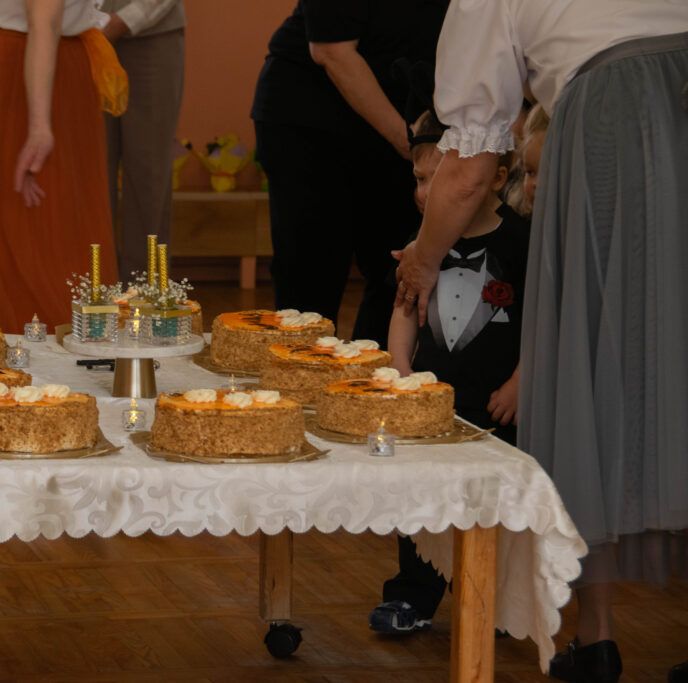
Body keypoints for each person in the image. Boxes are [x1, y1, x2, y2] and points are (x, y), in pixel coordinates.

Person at [393, 2, 688, 680]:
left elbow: (469, 169)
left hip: (615, 114)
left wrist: (424, 261)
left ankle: (598, 637)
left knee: (594, 371)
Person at [370, 111, 529, 634]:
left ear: (493, 178)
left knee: (491, 506)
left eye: (436, 180)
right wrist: (399, 366)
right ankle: (412, 595)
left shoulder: (521, 242)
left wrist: (520, 383)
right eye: (418, 180)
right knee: (419, 499)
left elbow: (543, 323)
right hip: (431, 402)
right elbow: (403, 307)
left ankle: (487, 601)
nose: (424, 194)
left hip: (494, 406)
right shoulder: (423, 244)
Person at [250, 0, 449, 345]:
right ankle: (302, 375)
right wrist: (410, 143)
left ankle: (373, 374)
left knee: (393, 272)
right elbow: (331, 51)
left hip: (402, 117)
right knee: (311, 282)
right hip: (312, 123)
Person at [0, 0, 126, 333]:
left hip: (44, 67)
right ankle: (26, 359)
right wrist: (38, 127)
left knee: (32, 242)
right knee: (32, 246)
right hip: (23, 78)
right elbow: (44, 20)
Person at [98, 0, 186, 277]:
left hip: (151, 36)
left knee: (148, 174)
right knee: (92, 171)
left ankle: (143, 291)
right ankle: (93, 287)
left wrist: (124, 21)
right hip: (80, 34)